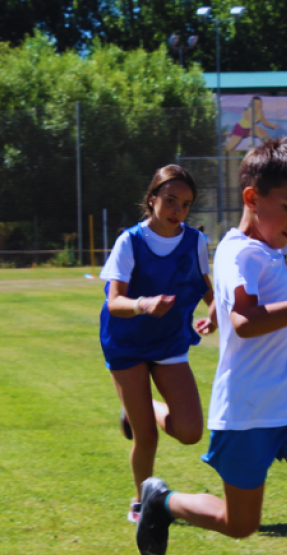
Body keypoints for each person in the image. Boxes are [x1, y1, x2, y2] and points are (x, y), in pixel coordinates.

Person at [134, 139, 287, 555]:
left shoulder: (267, 250)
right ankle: (163, 501)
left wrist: (217, 313)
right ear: (252, 197)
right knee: (240, 523)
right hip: (247, 413)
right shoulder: (237, 253)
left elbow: (242, 310)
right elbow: (245, 322)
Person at [100, 165, 217, 523]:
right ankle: (142, 503)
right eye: (169, 200)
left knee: (190, 431)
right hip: (126, 344)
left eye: (185, 203)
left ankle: (138, 407)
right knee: (146, 437)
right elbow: (113, 302)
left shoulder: (196, 241)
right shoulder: (130, 241)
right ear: (152, 200)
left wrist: (212, 313)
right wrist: (143, 305)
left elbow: (211, 293)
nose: (177, 209)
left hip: (168, 342)